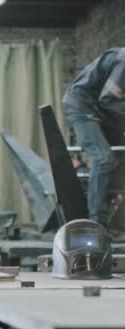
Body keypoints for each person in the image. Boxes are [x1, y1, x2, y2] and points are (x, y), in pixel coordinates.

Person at [63, 47, 125, 228]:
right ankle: (97, 223)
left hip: (101, 110)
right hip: (82, 106)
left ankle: (113, 213)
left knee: (117, 159)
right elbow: (108, 99)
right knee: (103, 158)